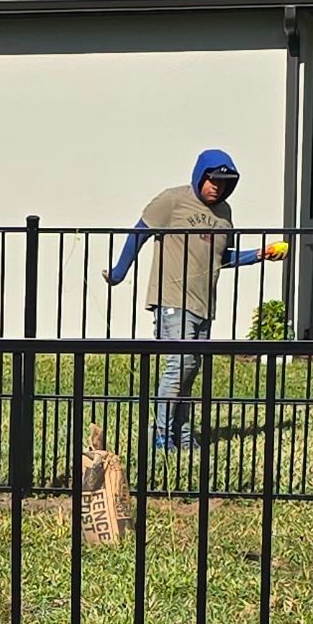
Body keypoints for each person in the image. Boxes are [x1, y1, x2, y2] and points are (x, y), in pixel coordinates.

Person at [104, 148, 280, 449]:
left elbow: (224, 257)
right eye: (212, 180)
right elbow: (139, 233)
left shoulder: (225, 214)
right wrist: (119, 272)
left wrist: (259, 255)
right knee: (179, 364)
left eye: (224, 183)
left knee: (190, 369)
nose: (216, 187)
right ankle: (161, 435)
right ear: (200, 176)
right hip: (172, 298)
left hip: (203, 303)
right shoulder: (172, 201)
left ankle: (183, 437)